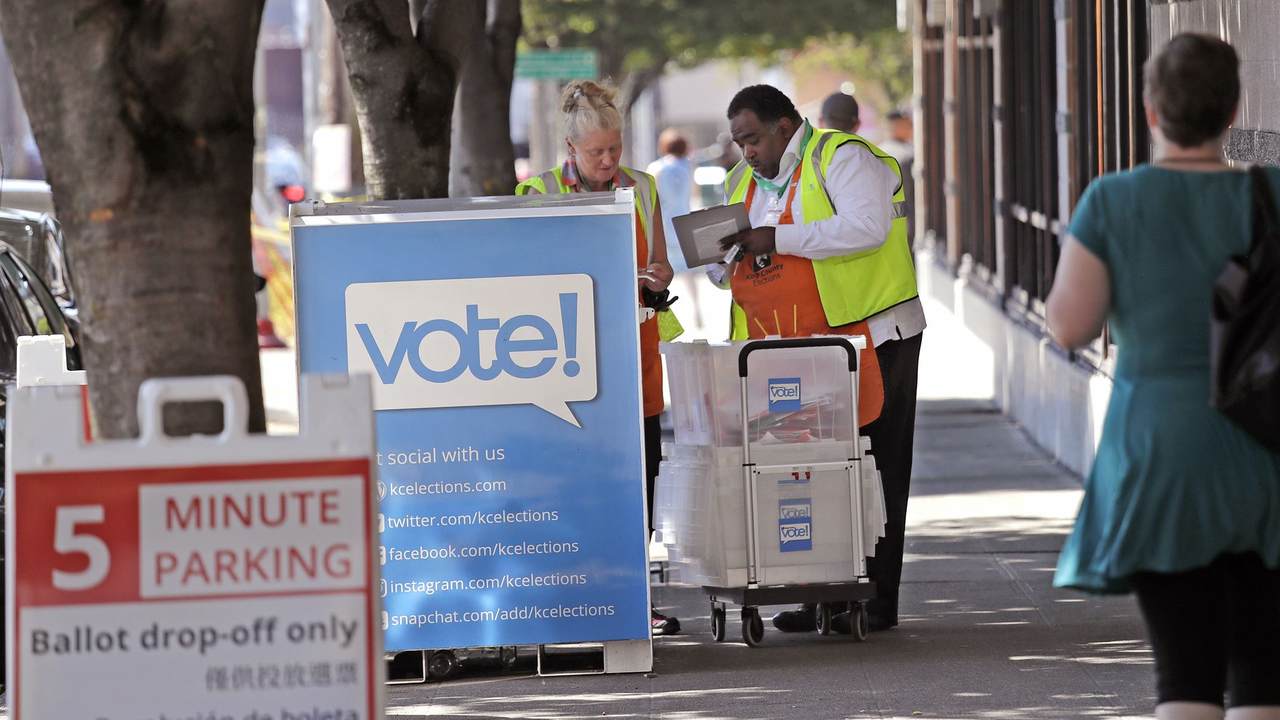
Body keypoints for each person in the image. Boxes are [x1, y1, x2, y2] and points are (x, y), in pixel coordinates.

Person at [1047, 34, 1280, 720]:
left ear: (1152, 111)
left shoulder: (1113, 201)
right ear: (1232, 111)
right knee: (1265, 678)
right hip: (1267, 449)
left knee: (1185, 679)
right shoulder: (1272, 194)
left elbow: (1070, 326)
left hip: (1159, 453)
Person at [715, 84, 925, 634]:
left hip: (875, 336)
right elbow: (736, 264)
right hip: (793, 350)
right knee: (807, 473)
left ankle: (874, 599)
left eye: (753, 139)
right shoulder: (741, 181)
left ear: (784, 127)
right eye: (739, 142)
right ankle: (817, 595)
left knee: (876, 468)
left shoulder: (841, 157)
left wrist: (775, 238)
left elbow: (866, 228)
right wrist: (720, 258)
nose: (747, 152)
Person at [515, 80, 681, 637]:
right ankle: (576, 600)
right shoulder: (537, 192)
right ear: (571, 149)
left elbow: (660, 265)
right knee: (576, 484)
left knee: (640, 481)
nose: (609, 161)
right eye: (596, 152)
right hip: (567, 364)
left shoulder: (643, 187)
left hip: (636, 355)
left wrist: (657, 278)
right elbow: (526, 279)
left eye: (615, 148)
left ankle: (635, 601)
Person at [646, 128, 695, 272]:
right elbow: (693, 193)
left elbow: (648, 197)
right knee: (688, 270)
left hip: (662, 224)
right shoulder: (688, 166)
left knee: (662, 267)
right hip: (684, 223)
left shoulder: (656, 167)